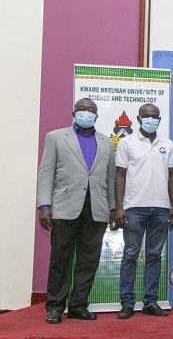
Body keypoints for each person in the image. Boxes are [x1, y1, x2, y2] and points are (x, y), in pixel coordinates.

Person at [37, 98, 116, 324]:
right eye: (82, 109)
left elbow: (110, 178)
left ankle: (79, 306)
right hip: (64, 208)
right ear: (74, 113)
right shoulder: (56, 137)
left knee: (88, 261)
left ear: (97, 116)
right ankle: (54, 307)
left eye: (91, 110)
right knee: (60, 259)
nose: (86, 113)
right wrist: (44, 205)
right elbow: (46, 173)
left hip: (96, 209)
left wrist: (112, 207)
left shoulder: (107, 142)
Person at [113, 103, 173, 319]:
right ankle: (127, 303)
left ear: (159, 119)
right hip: (133, 208)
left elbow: (172, 177)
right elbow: (120, 175)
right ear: (138, 119)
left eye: (154, 116)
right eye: (146, 116)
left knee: (154, 256)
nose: (150, 119)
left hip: (160, 208)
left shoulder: (167, 144)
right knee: (130, 255)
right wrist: (119, 206)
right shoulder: (126, 143)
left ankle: (150, 301)